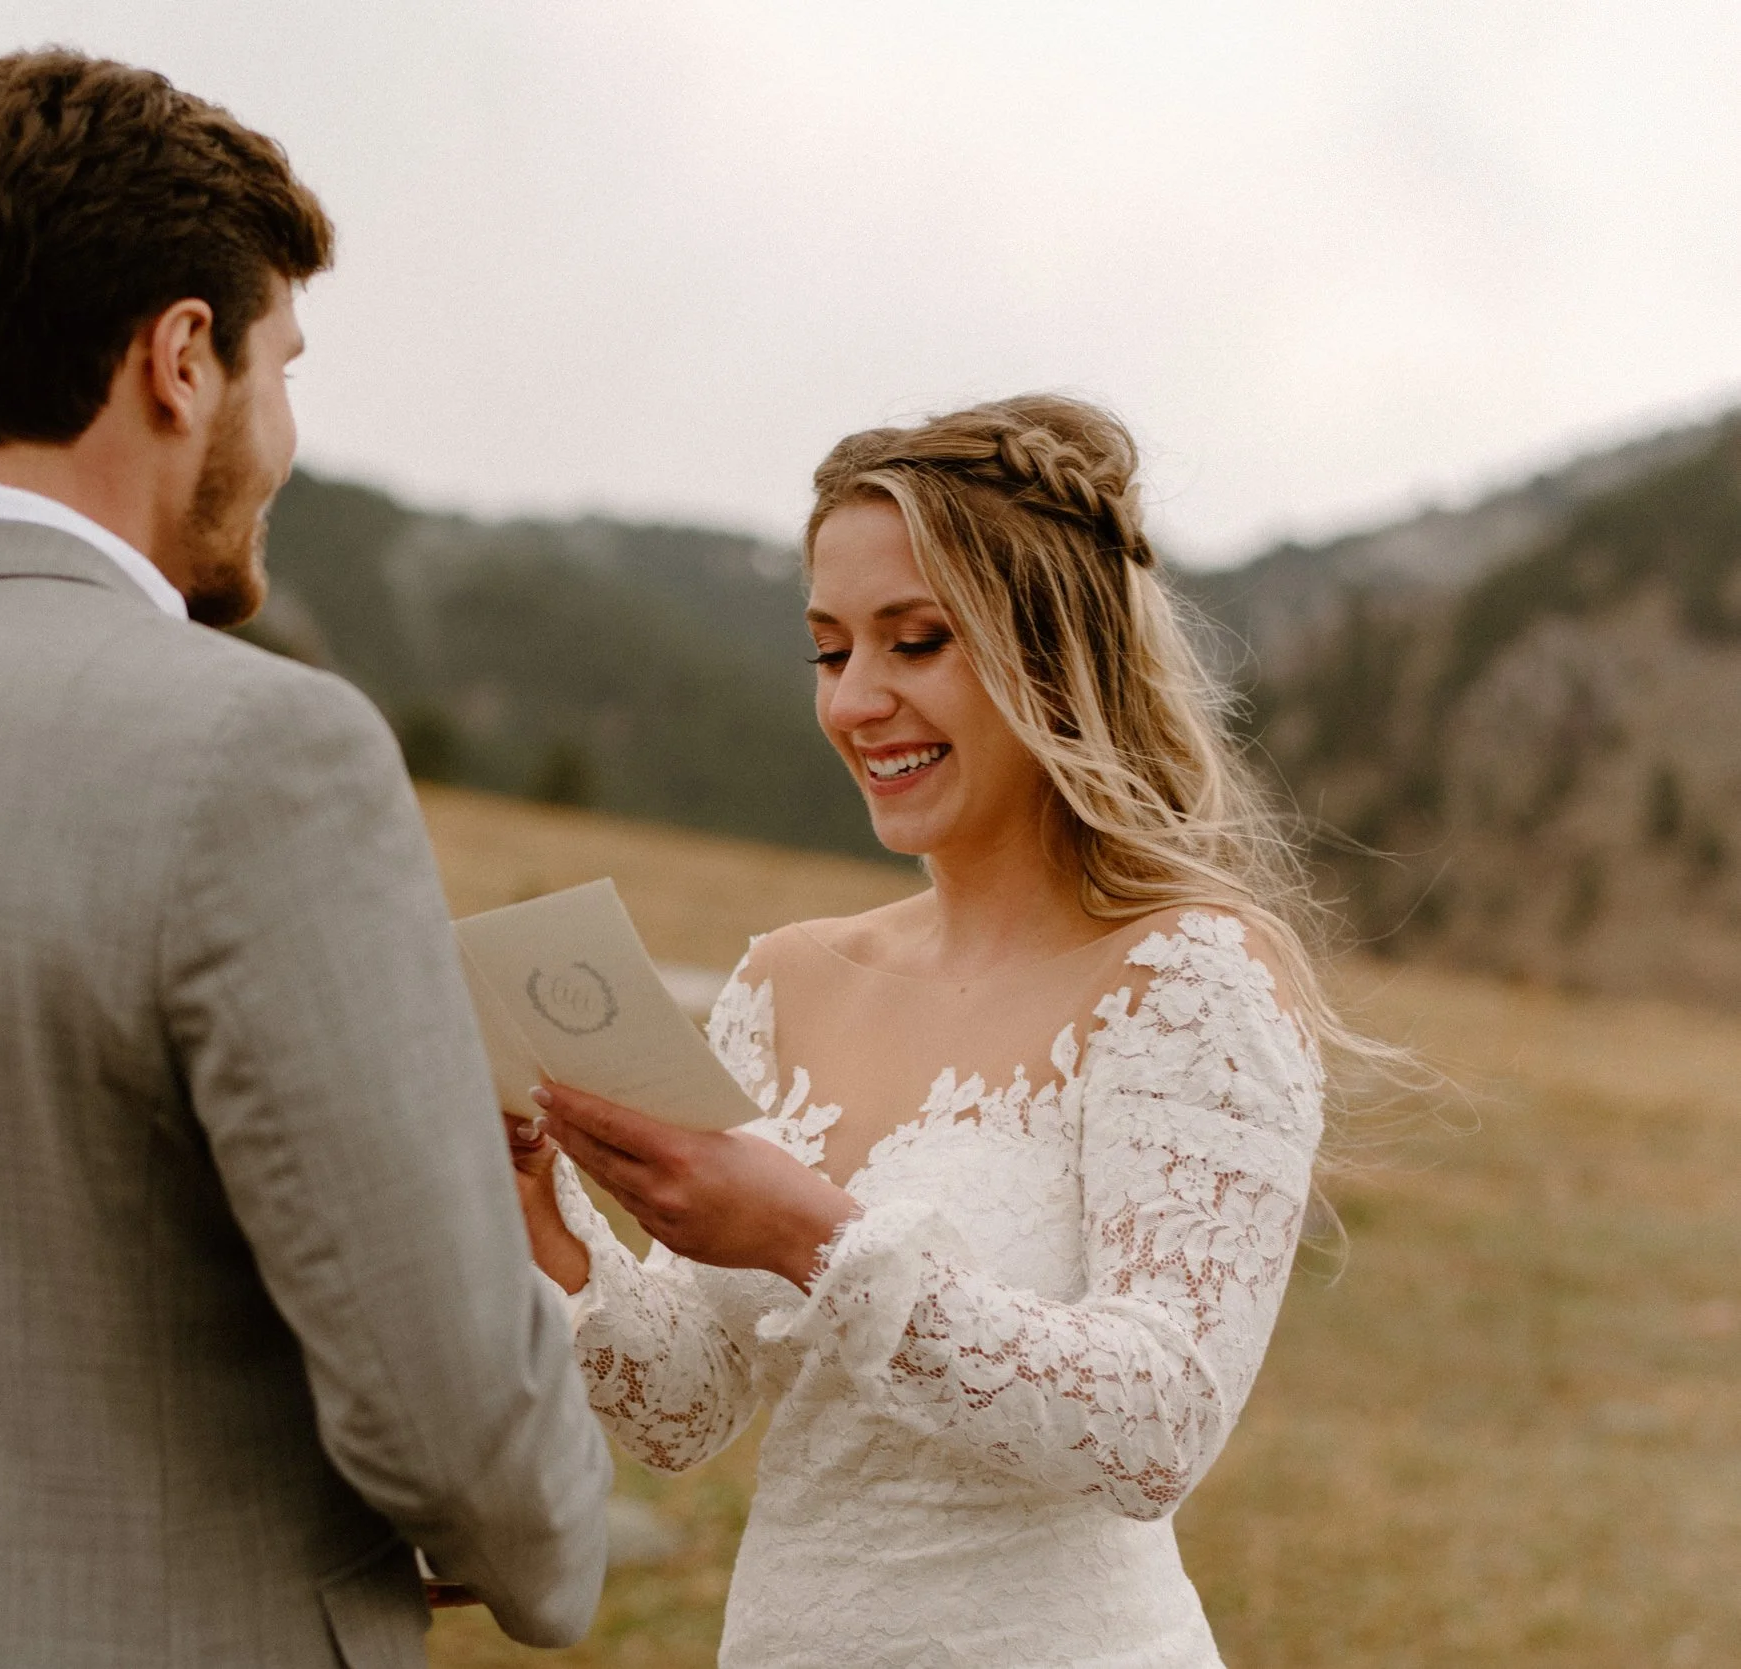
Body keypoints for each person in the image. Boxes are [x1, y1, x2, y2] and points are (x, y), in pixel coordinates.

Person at [0, 50, 609, 1669]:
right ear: (181, 359)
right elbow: (460, 1435)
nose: (283, 434)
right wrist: (535, 1492)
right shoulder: (268, 756)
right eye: (282, 366)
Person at [510, 396, 1343, 1667]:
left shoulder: (1187, 979)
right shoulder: (785, 981)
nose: (856, 702)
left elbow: (1156, 1427)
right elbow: (682, 1410)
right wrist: (545, 1217)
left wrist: (805, 1234)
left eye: (915, 642)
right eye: (830, 651)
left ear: (1054, 654)